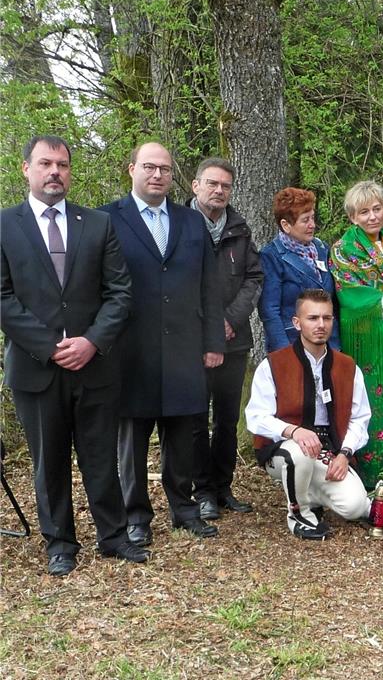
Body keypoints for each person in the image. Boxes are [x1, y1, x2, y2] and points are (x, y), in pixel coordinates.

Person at [1, 135, 147, 576]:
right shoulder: (5, 226)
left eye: (62, 165)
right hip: (36, 366)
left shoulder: (97, 224)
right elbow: (3, 298)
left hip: (95, 363)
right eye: (45, 164)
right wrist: (50, 347)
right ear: (26, 168)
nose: (55, 173)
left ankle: (114, 536)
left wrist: (91, 341)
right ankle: (60, 542)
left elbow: (120, 292)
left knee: (100, 454)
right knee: (49, 460)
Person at [102, 141, 225, 545]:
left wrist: (213, 343)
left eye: (165, 169)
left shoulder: (190, 222)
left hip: (184, 348)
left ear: (174, 176)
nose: (157, 175)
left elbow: (210, 286)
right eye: (149, 167)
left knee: (183, 433)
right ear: (132, 169)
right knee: (133, 440)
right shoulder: (106, 220)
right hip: (129, 350)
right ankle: (136, 515)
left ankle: (184, 508)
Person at [245, 290, 372, 540]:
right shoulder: (273, 364)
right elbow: (256, 417)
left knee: (355, 507)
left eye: (327, 318)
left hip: (329, 449)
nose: (320, 325)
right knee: (299, 453)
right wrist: (293, 431)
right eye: (312, 318)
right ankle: (300, 515)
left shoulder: (347, 366)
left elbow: (360, 418)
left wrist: (345, 454)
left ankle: (307, 492)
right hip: (283, 449)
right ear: (297, 323)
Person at [187, 157, 263, 521]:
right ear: (195, 185)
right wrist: (209, 327)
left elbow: (254, 278)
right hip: (195, 341)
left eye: (225, 186)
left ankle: (222, 486)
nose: (219, 191)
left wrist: (231, 319)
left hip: (235, 341)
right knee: (196, 418)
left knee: (228, 419)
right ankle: (200, 490)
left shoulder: (239, 228)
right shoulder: (181, 225)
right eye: (212, 184)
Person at [329, 181, 383, 489]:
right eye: (364, 212)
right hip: (368, 339)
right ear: (352, 216)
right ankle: (372, 481)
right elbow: (349, 293)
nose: (372, 217)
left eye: (376, 209)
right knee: (372, 405)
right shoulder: (343, 250)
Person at [259, 187, 340, 353]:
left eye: (312, 218)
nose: (312, 225)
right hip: (293, 343)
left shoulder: (322, 248)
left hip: (328, 343)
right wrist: (284, 352)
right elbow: (269, 311)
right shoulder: (271, 256)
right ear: (286, 225)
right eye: (305, 220)